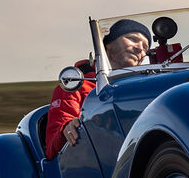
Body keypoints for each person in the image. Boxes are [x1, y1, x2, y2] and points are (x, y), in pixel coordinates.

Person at [44, 18, 151, 159]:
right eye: (132, 39)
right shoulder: (76, 85)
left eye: (145, 48)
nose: (139, 49)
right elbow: (52, 147)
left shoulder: (141, 91)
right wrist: (67, 128)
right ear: (108, 44)